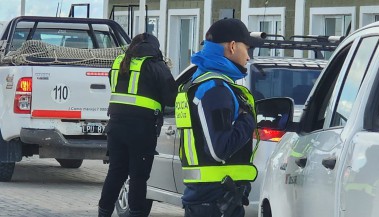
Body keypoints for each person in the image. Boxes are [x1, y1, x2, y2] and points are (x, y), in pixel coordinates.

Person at [175, 18, 260, 217]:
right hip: (217, 201)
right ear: (232, 46)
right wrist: (248, 119)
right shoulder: (216, 89)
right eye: (247, 49)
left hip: (206, 199)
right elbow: (219, 149)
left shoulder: (198, 82)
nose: (248, 57)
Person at [98, 33, 177, 217]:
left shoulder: (119, 63)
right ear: (155, 47)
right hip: (141, 130)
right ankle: (136, 213)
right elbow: (171, 97)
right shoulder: (155, 65)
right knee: (138, 178)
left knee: (115, 173)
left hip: (116, 128)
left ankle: (103, 214)